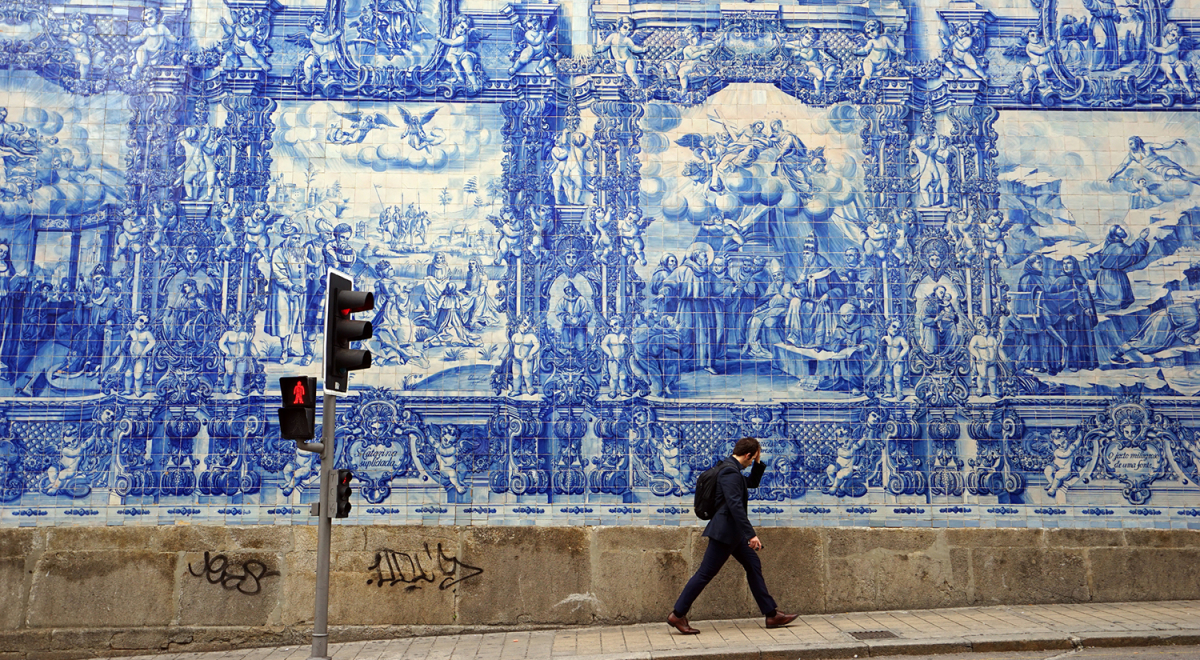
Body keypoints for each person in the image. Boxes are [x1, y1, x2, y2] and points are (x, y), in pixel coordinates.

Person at [668, 437, 798, 635]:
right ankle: (677, 614)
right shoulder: (730, 471)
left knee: (753, 565)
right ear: (747, 455)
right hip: (725, 533)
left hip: (733, 533)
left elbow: (751, 483)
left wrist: (758, 462)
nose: (752, 461)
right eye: (752, 458)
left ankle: (771, 614)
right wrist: (751, 534)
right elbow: (734, 504)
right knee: (704, 574)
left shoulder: (731, 469)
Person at [1093, 224, 1149, 313]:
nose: (1122, 230)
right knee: (1115, 301)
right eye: (1119, 229)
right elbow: (1130, 255)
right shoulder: (1115, 247)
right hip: (1110, 277)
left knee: (1122, 301)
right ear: (1114, 233)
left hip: (1114, 274)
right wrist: (1141, 239)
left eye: (1121, 228)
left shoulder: (1116, 245)